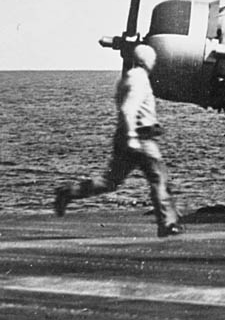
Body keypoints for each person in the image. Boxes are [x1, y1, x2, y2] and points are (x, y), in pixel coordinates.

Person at [53, 44, 183, 237]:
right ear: (148, 60)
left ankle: (68, 192)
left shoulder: (128, 78)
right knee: (158, 178)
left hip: (127, 136)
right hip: (141, 137)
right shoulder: (139, 79)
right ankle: (167, 223)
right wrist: (132, 137)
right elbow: (128, 109)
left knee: (110, 182)